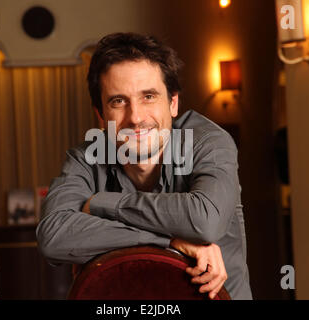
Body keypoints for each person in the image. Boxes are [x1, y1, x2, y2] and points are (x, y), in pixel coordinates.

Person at [36, 32, 252, 300]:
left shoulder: (208, 142)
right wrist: (171, 242)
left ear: (173, 103)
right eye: (118, 101)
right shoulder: (86, 157)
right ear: (101, 116)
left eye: (148, 96)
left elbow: (204, 221)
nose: (135, 117)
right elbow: (53, 235)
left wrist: (102, 204)